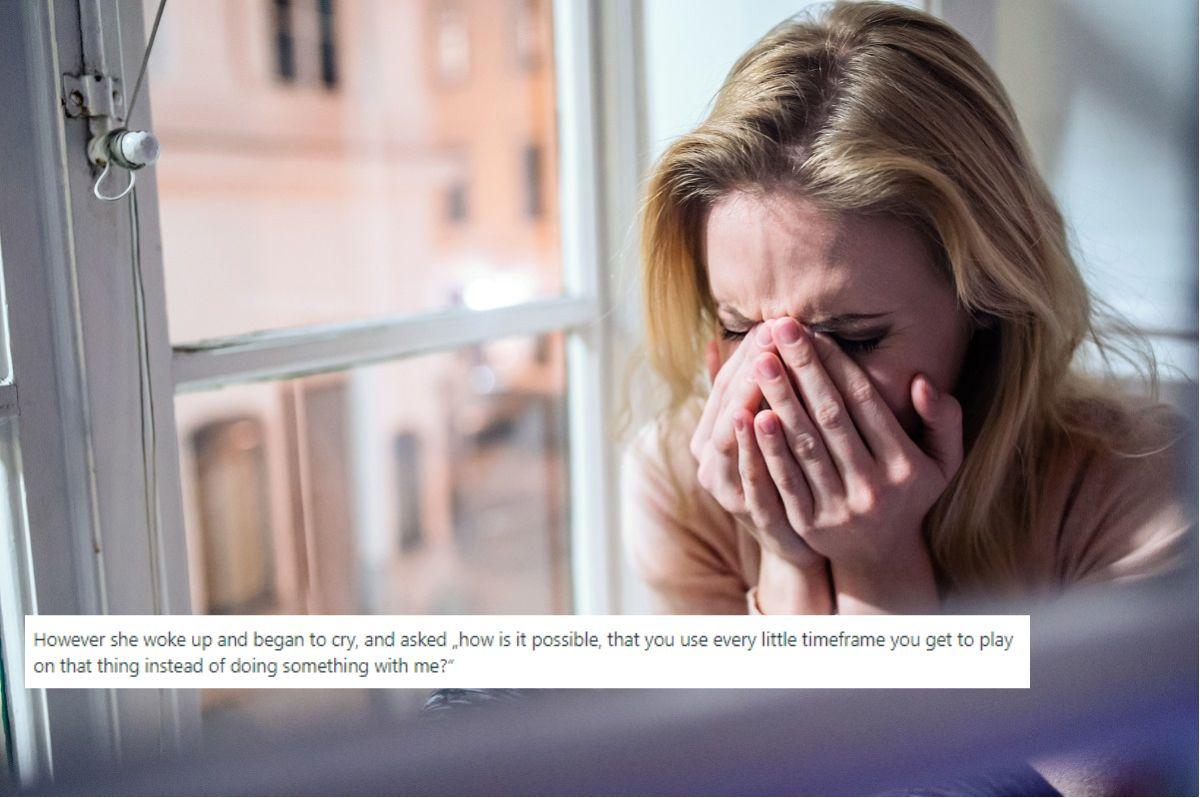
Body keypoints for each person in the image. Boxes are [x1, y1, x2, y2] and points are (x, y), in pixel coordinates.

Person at [621, 2, 1194, 793]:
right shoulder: (683, 482)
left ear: (987, 303)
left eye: (853, 340)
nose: (780, 392)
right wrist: (790, 561)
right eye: (738, 328)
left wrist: (881, 570)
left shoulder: (1135, 481)